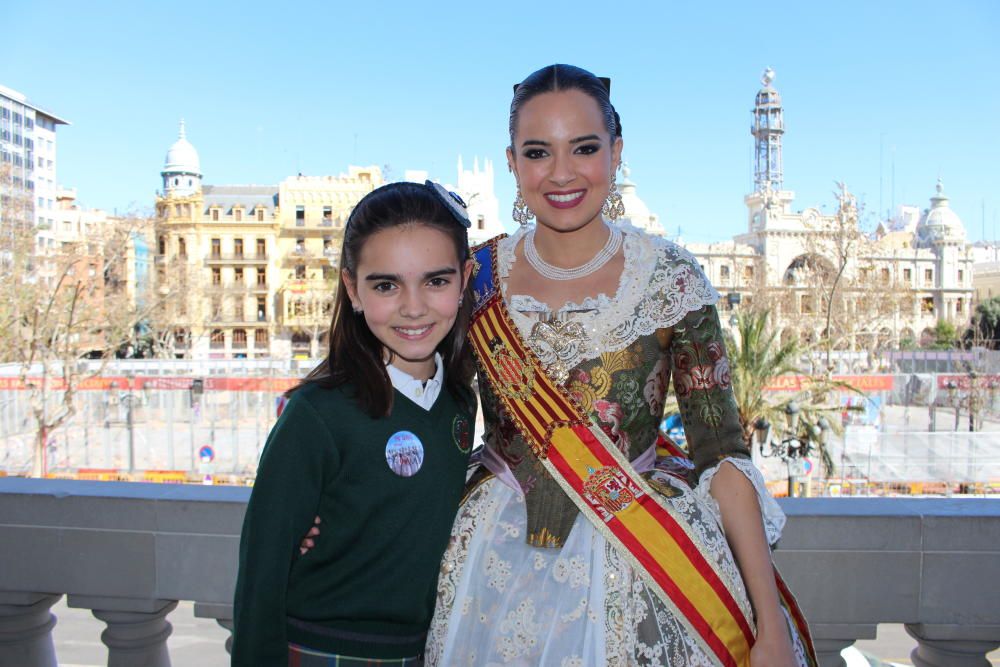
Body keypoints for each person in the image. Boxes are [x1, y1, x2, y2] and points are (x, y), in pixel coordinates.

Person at [423, 65, 817, 666]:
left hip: (641, 560)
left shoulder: (671, 278)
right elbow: (418, 408)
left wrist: (767, 622)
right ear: (511, 162)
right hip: (488, 561)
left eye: (584, 148)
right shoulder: (472, 275)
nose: (561, 173)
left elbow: (725, 456)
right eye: (537, 152)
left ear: (617, 151)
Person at [232, 181, 477, 665]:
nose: (413, 306)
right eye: (386, 285)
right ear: (353, 289)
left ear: (465, 279)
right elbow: (262, 567)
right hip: (324, 648)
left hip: (423, 651)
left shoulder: (458, 402)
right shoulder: (318, 413)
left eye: (436, 281)